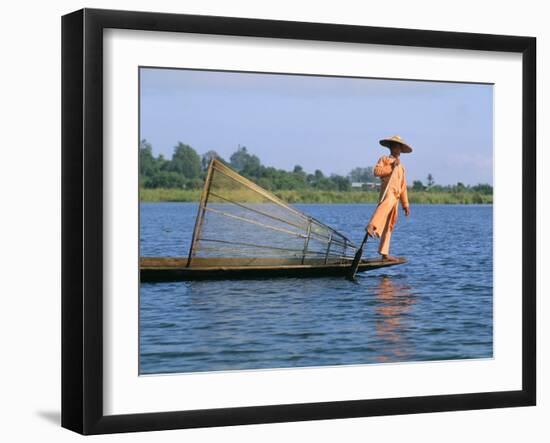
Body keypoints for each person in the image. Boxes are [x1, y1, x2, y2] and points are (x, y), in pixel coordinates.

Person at [365, 135, 412, 261]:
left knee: (389, 224)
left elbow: (403, 187)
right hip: (388, 192)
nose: (396, 149)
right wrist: (391, 166)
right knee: (384, 207)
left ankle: (384, 252)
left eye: (398, 147)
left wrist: (405, 204)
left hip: (396, 196)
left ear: (401, 150)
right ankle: (371, 225)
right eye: (394, 146)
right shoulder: (384, 159)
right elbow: (377, 172)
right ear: (390, 148)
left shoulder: (401, 168)